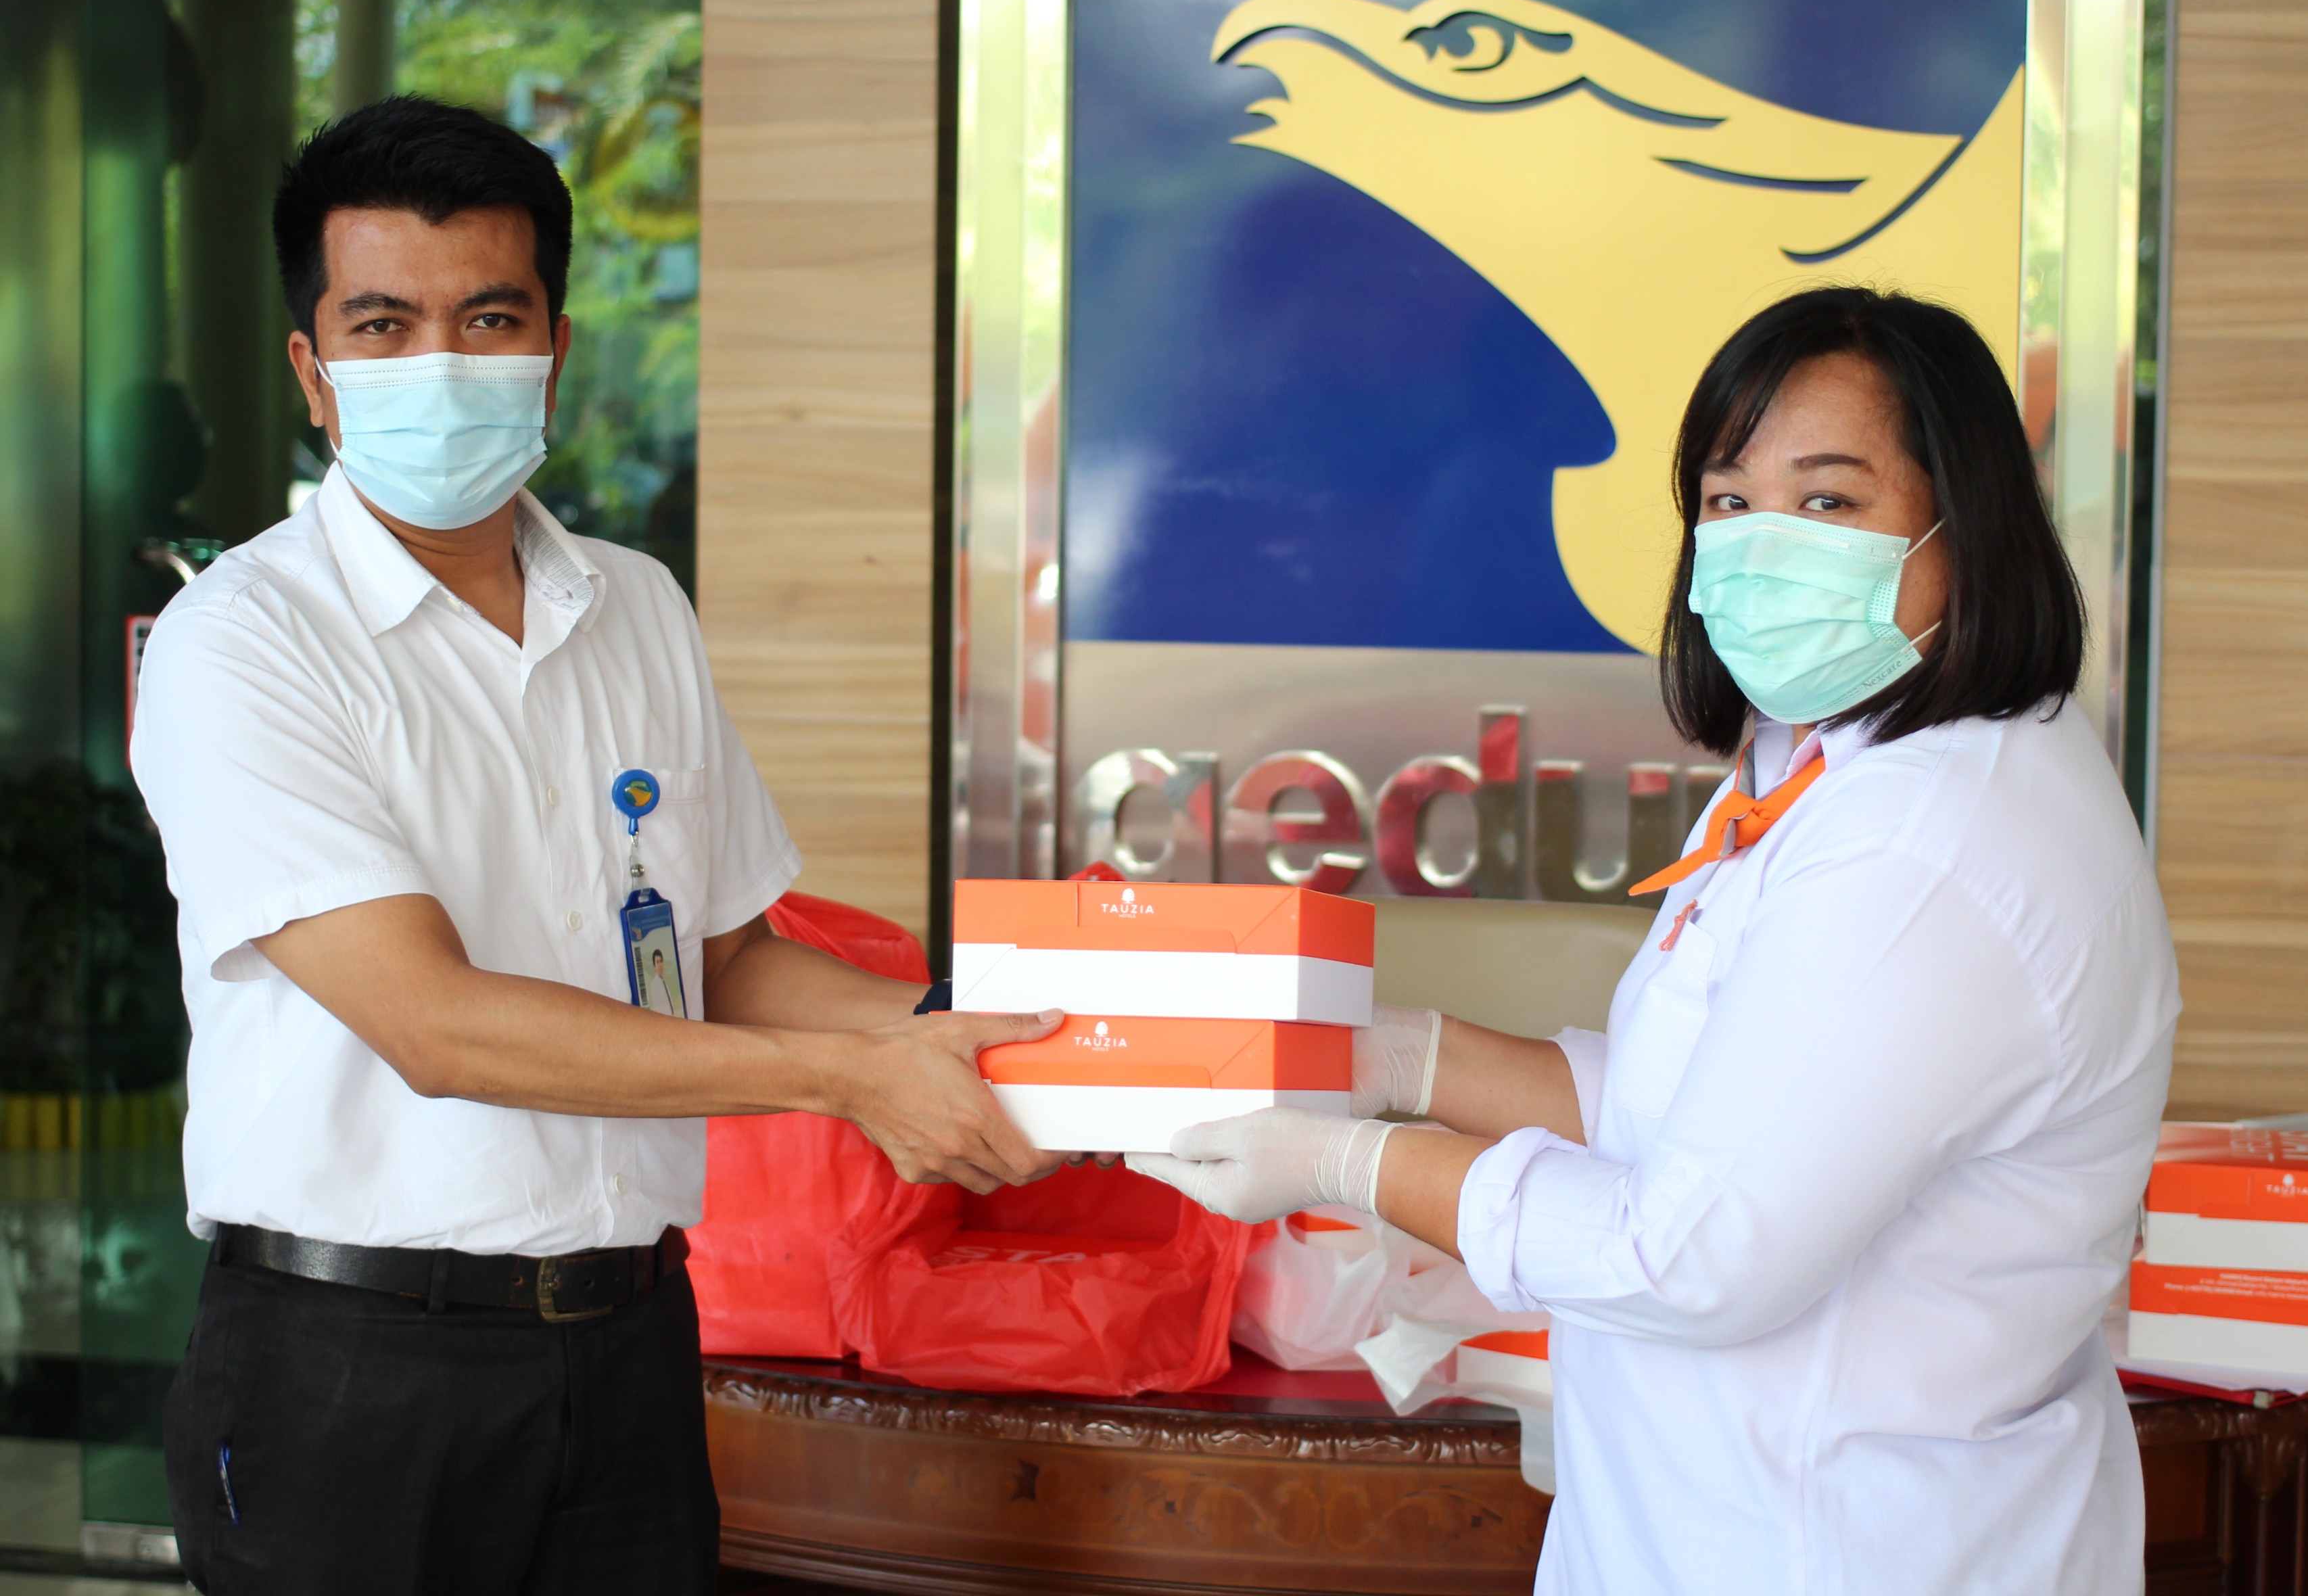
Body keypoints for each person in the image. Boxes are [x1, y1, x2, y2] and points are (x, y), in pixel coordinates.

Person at [133, 96, 1059, 1596]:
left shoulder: (636, 607)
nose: (441, 365)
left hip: (627, 1345)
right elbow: (433, 1024)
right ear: (313, 371)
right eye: (384, 325)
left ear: (554, 350)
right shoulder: (243, 640)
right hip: (353, 1372)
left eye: (488, 318)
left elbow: (726, 959)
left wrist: (971, 1035)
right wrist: (850, 1080)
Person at [1133, 287, 2180, 1595]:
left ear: (1964, 524)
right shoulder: (1828, 762)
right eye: (1729, 501)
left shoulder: (1925, 846)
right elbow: (1689, 1105)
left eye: (1829, 500)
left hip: (1844, 1549)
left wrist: (1350, 1160)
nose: (1759, 544)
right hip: (1709, 1527)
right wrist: (1397, 1057)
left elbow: (1688, 1256)